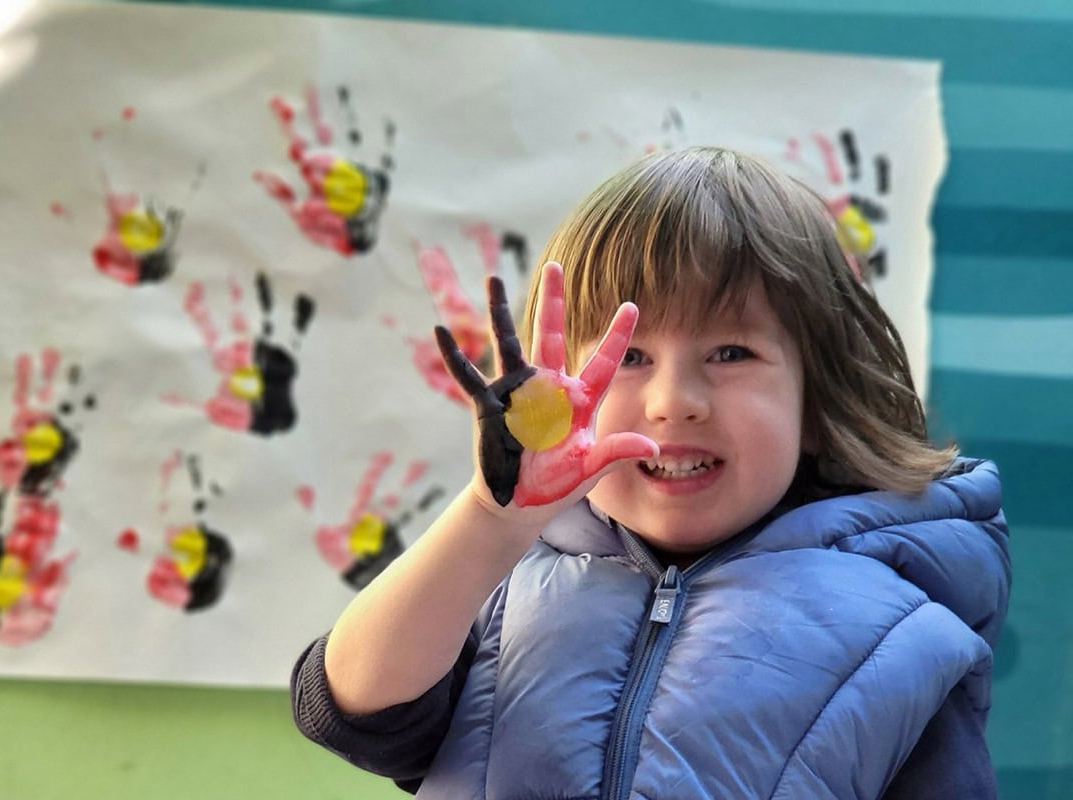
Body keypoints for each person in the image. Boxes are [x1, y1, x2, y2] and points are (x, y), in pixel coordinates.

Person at [291, 147, 1010, 798]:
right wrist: (492, 519)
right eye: (629, 357)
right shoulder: (495, 581)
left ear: (817, 400)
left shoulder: (903, 640)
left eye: (731, 353)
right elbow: (353, 708)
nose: (674, 404)